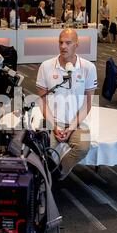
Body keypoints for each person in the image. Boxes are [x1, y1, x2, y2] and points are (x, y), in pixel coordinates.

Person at [36, 28, 97, 181]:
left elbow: (88, 103)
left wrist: (71, 127)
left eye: (68, 43)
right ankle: (45, 173)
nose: (63, 46)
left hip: (77, 122)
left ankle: (58, 172)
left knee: (83, 147)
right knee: (41, 146)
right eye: (61, 42)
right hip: (52, 120)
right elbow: (42, 100)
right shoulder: (46, 66)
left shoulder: (88, 68)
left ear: (77, 44)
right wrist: (54, 125)